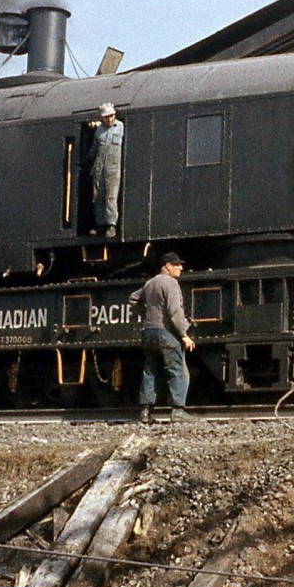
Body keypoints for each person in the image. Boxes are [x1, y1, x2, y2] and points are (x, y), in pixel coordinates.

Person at [128, 251, 196, 422]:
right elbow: (175, 312)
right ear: (167, 266)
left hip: (148, 332)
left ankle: (145, 412)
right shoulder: (171, 284)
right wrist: (184, 335)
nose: (181, 268)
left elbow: (133, 299)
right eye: (177, 264)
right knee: (177, 370)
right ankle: (178, 411)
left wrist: (145, 315)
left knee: (150, 371)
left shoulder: (150, 283)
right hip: (166, 333)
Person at [89, 102, 123, 238]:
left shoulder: (120, 127)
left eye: (112, 116)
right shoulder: (99, 130)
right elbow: (94, 149)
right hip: (99, 167)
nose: (110, 119)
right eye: (107, 117)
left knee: (111, 197)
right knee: (98, 197)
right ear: (102, 118)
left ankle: (111, 225)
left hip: (113, 168)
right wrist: (87, 160)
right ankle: (100, 225)